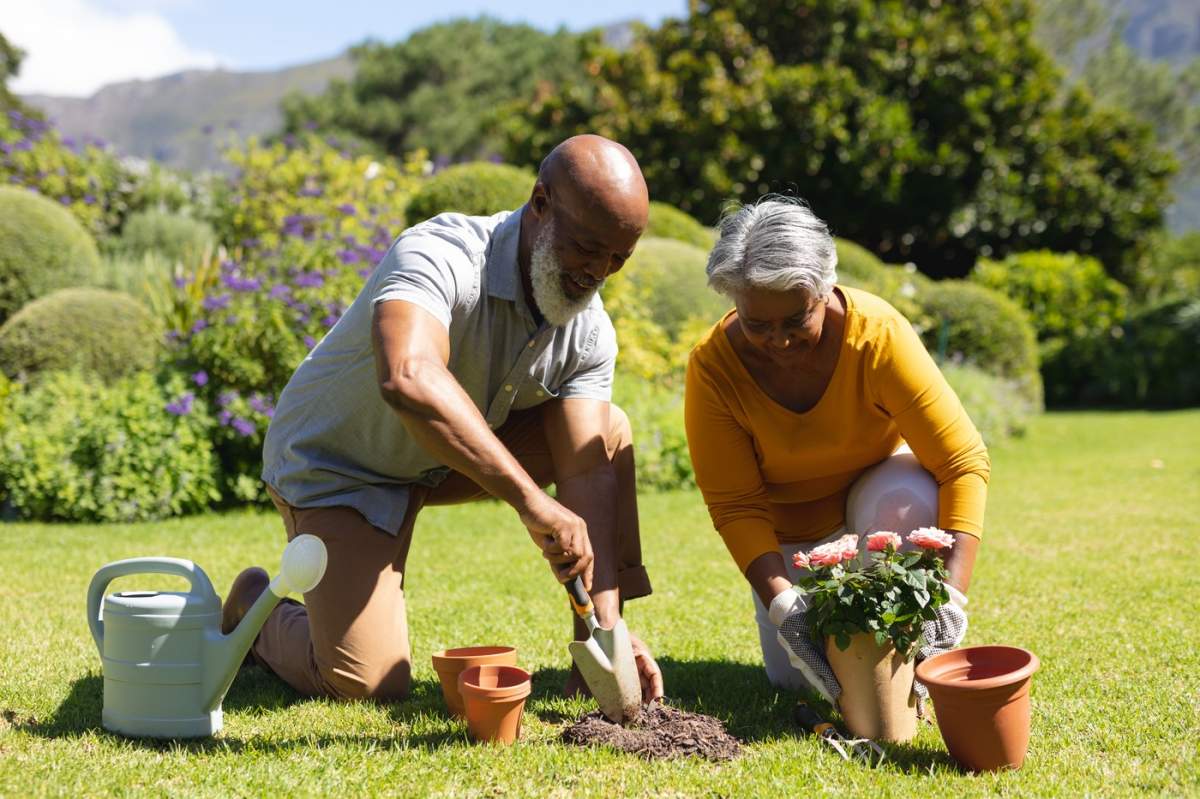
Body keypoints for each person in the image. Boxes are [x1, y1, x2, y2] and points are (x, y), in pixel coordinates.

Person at [222, 134, 663, 705]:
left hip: (437, 463)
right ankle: (253, 607)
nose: (597, 271)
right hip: (340, 466)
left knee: (608, 428)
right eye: (586, 247)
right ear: (540, 202)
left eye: (617, 259)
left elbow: (586, 471)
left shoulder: (590, 329)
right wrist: (531, 501)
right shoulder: (442, 252)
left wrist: (604, 635)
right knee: (367, 684)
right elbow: (407, 376)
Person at [683, 196, 988, 702]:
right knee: (795, 680)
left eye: (796, 320)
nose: (777, 341)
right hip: (794, 532)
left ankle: (909, 666)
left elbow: (961, 462)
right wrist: (786, 609)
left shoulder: (878, 336)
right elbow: (736, 505)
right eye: (758, 325)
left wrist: (952, 599)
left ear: (824, 291)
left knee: (906, 504)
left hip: (878, 501)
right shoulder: (713, 369)